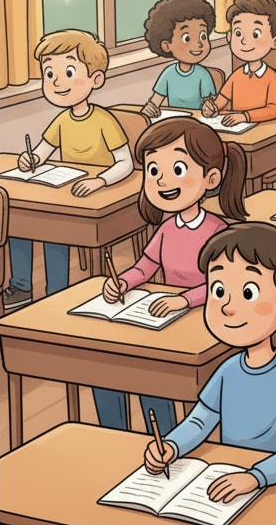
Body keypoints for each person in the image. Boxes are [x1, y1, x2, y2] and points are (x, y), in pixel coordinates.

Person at [144, 222, 276, 499]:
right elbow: (200, 422)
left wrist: (257, 476)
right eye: (218, 291)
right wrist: (171, 446)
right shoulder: (228, 370)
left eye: (248, 293)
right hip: (228, 474)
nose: (227, 306)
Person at [93, 116, 248, 434]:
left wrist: (185, 300)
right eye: (153, 171)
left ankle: (166, 436)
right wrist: (124, 281)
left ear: (211, 178)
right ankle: (114, 434)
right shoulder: (166, 228)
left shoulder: (218, 232)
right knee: (110, 363)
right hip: (165, 316)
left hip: (207, 317)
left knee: (156, 372)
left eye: (177, 170)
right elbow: (145, 266)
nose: (162, 181)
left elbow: (223, 285)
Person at [5, 29, 134, 310]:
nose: (57, 83)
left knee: (56, 230)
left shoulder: (103, 120)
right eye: (49, 74)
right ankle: (21, 286)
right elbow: (42, 151)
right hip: (64, 188)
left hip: (92, 193)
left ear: (95, 79)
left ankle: (57, 292)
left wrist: (101, 180)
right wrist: (31, 160)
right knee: (18, 221)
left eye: (68, 72)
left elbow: (126, 163)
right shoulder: (62, 120)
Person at [202, 0, 276, 125]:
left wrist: (245, 116)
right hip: (238, 129)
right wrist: (212, 107)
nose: (244, 41)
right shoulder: (237, 76)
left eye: (256, 34)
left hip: (262, 128)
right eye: (238, 33)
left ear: (275, 41)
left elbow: (273, 109)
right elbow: (222, 99)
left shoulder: (272, 78)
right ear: (229, 37)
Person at [140, 0, 217, 118]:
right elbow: (154, 102)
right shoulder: (168, 74)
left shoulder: (203, 75)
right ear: (166, 45)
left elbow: (208, 103)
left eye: (202, 36)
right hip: (175, 123)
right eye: (187, 38)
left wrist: (209, 108)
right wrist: (149, 109)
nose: (198, 43)